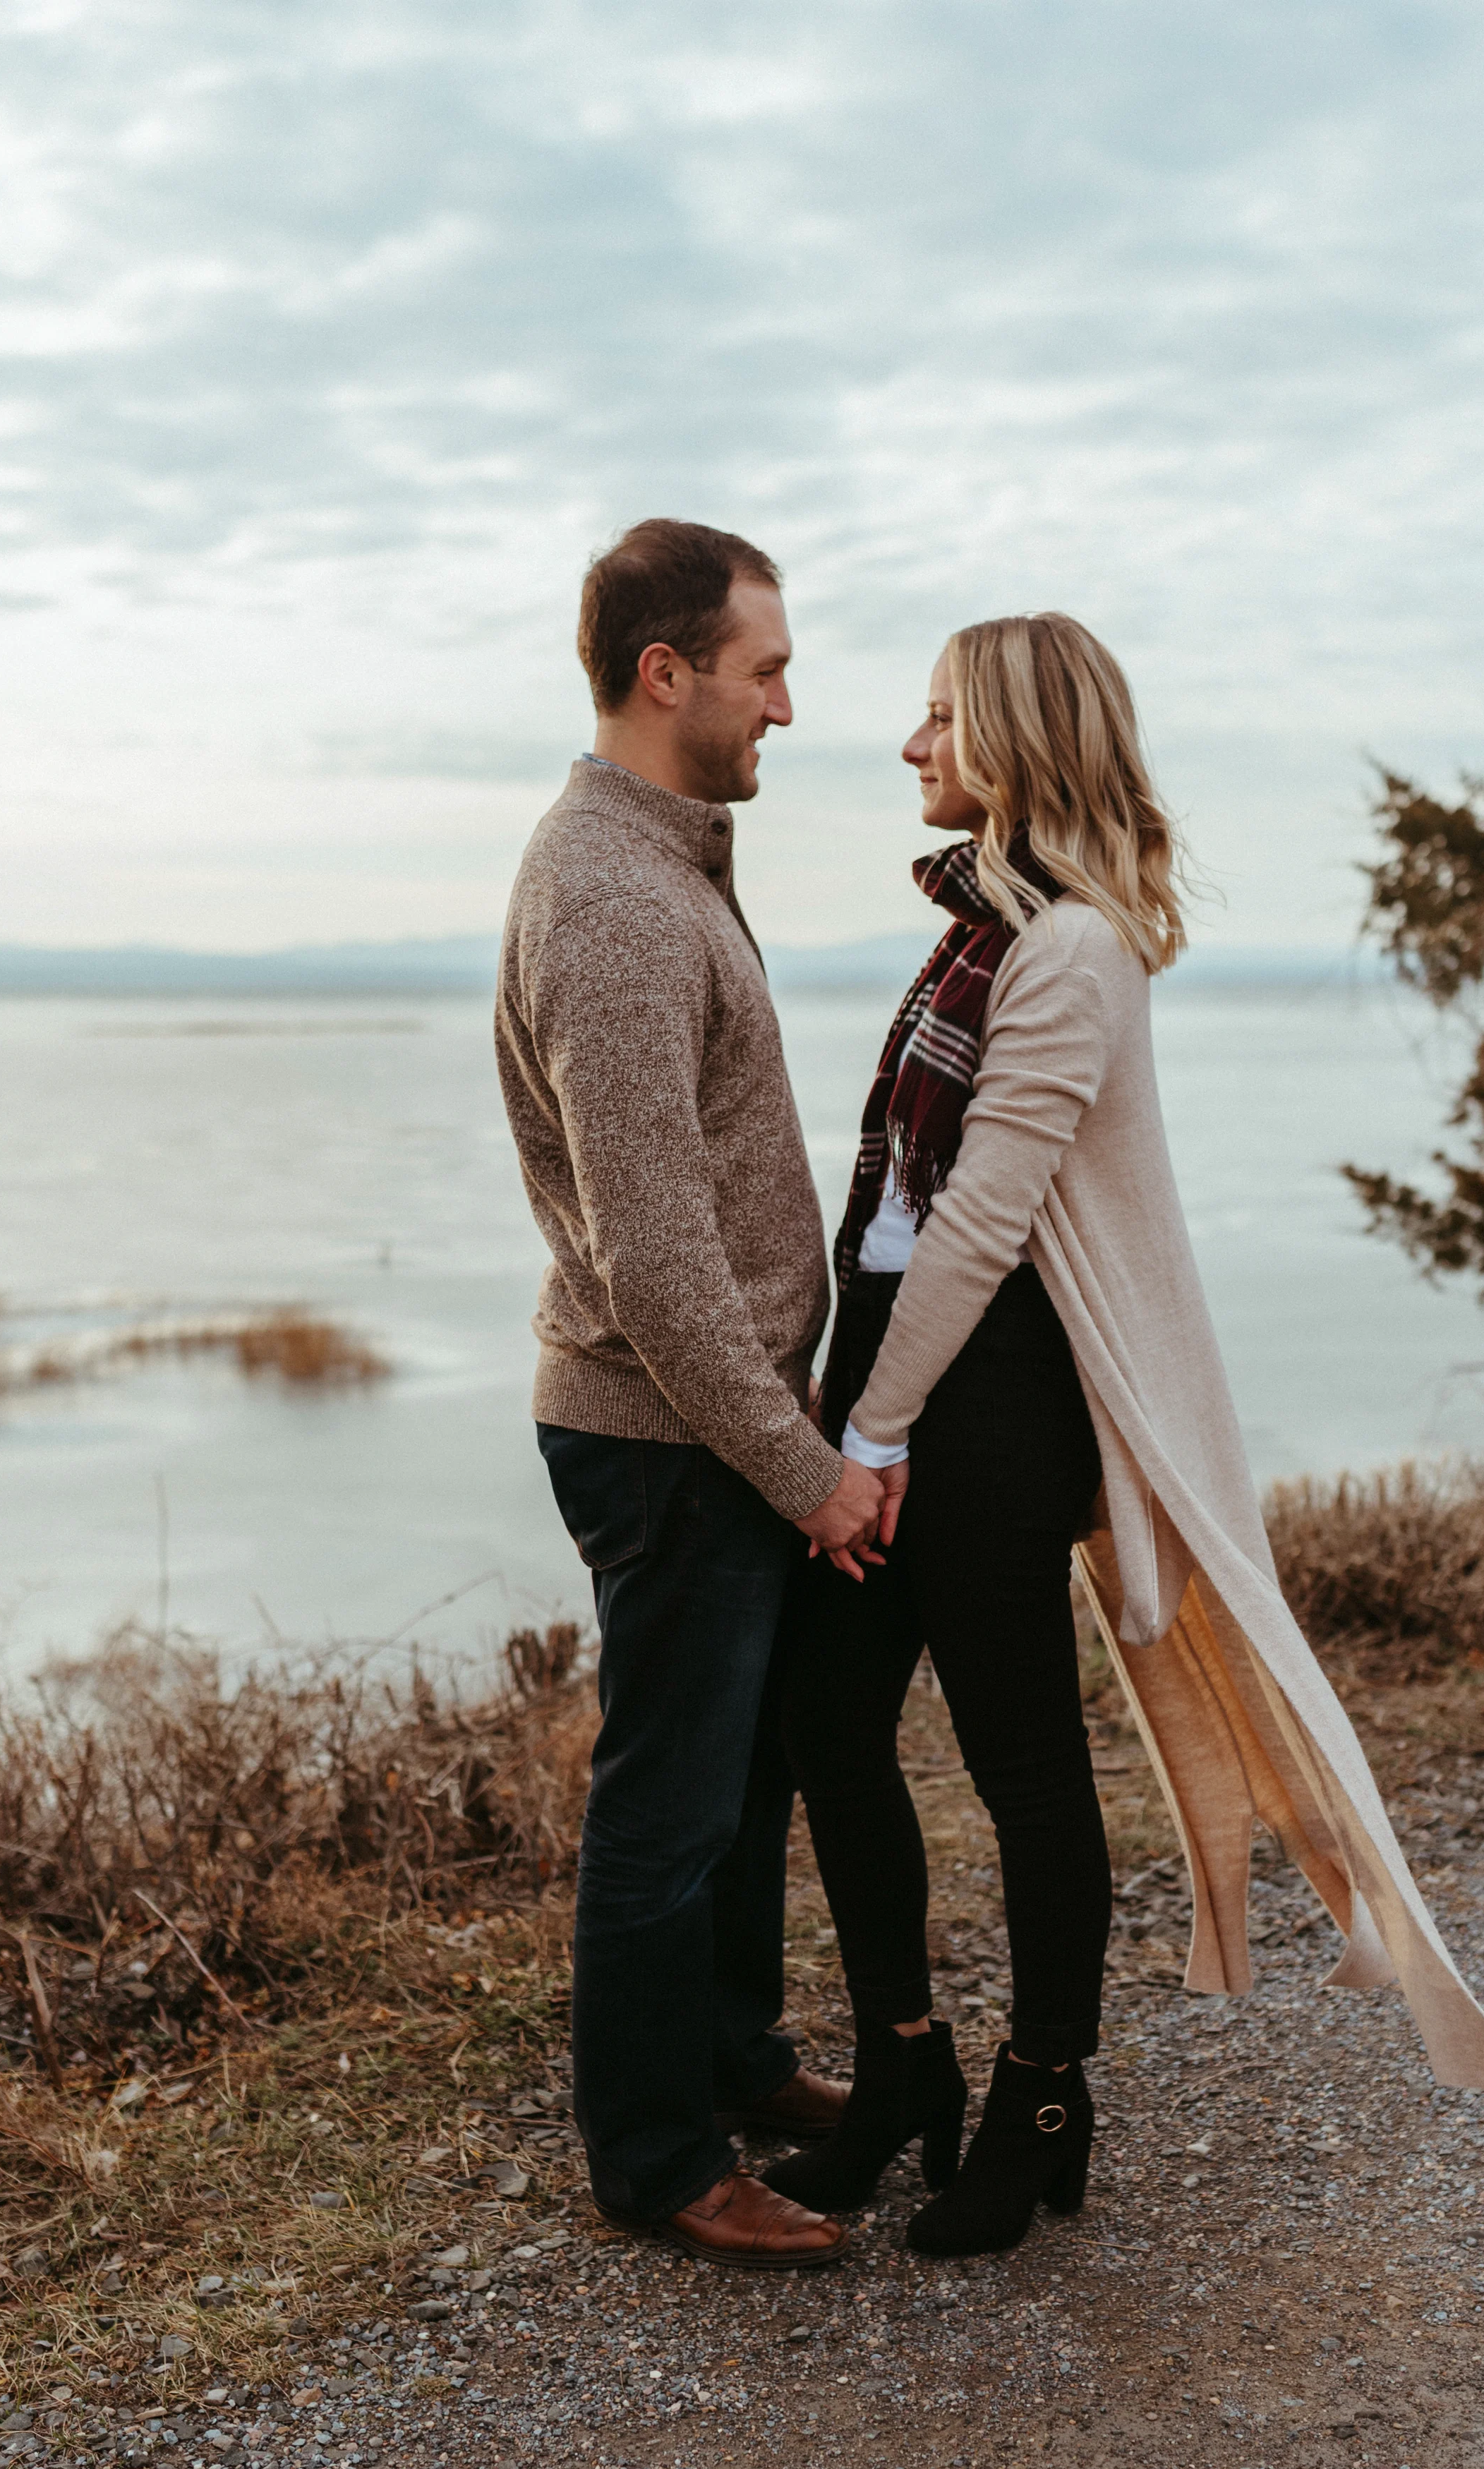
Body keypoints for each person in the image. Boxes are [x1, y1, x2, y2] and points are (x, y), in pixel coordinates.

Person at [768, 610, 1484, 2259]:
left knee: (1020, 1763)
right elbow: (904, 1207)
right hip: (897, 1387)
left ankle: (1043, 2092)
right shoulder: (982, 927)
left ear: (1013, 742)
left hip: (977, 1408)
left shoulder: (1070, 949)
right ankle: (904, 2066)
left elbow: (982, 1218)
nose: (906, 749)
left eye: (934, 721)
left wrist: (877, 1432)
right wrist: (850, 1408)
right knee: (827, 1720)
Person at [495, 518, 886, 2269]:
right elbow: (654, 1260)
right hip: (667, 1435)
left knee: (732, 1789)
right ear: (668, 676)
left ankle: (728, 2061)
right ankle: (656, 2158)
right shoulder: (609, 897)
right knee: (667, 1808)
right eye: (765, 670)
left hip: (704, 1420)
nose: (786, 707)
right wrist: (801, 1468)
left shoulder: (664, 860)